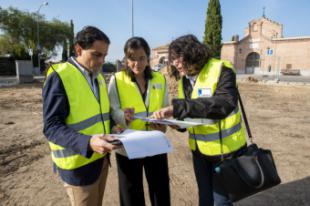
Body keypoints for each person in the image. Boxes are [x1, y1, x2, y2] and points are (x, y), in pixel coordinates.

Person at [152, 34, 247, 206]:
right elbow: (189, 117)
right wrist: (173, 123)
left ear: (193, 53)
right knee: (205, 199)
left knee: (221, 202)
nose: (175, 63)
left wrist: (178, 108)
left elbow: (223, 105)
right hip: (200, 153)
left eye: (178, 58)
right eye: (172, 59)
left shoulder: (222, 69)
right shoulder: (184, 82)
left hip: (225, 152)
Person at [43, 26, 118, 206]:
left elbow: (100, 112)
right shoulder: (60, 76)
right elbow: (51, 127)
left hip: (100, 160)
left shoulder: (98, 76)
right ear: (78, 50)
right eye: (96, 55)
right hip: (78, 167)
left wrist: (113, 126)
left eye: (105, 55)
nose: (101, 61)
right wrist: (88, 143)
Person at [108, 37, 170, 206]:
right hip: (128, 146)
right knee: (131, 192)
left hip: (155, 142)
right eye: (132, 59)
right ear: (126, 60)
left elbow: (165, 108)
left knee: (160, 189)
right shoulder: (117, 79)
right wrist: (123, 116)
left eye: (142, 58)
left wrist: (162, 126)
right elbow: (112, 110)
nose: (137, 63)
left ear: (148, 58)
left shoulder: (160, 79)